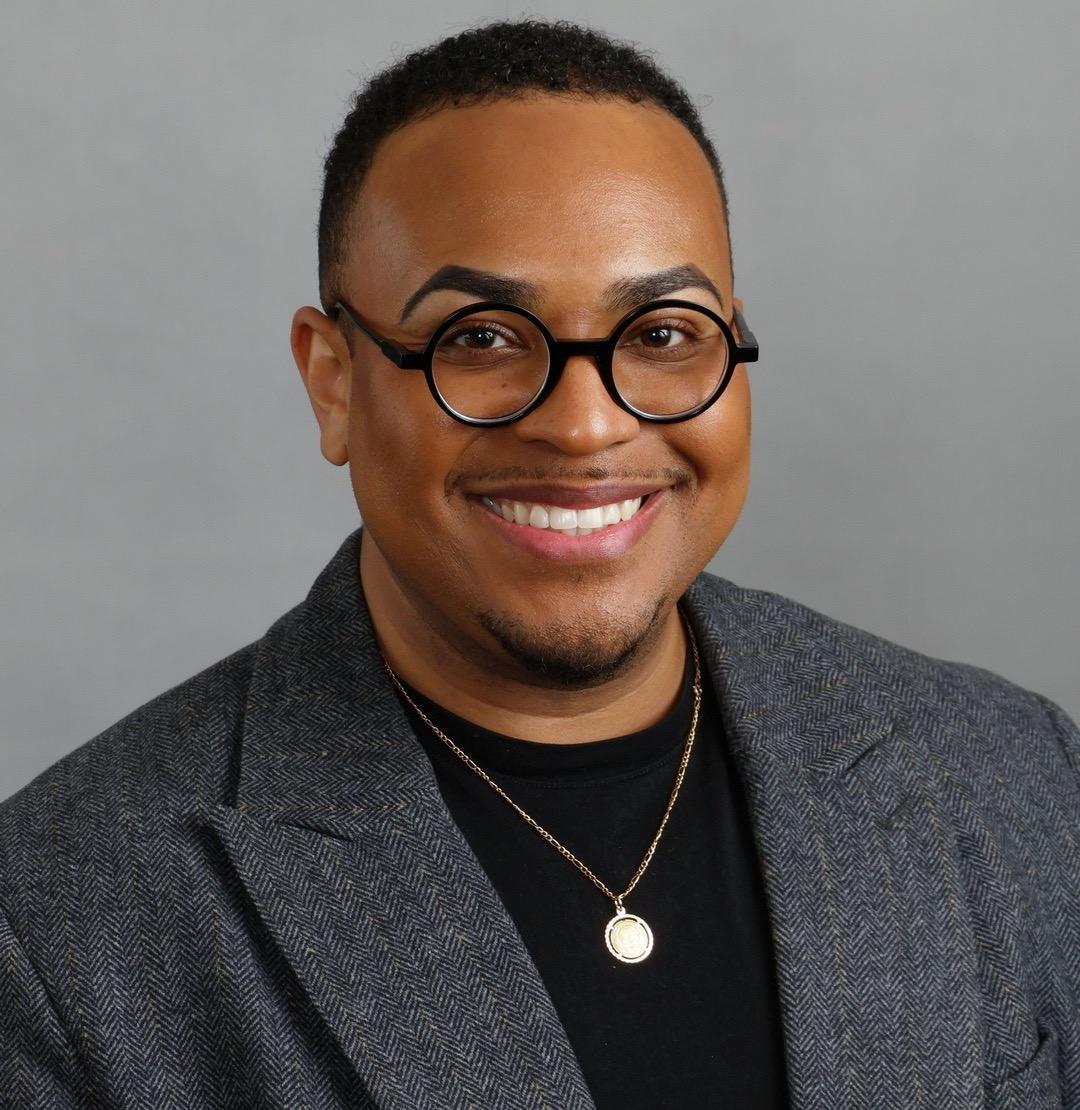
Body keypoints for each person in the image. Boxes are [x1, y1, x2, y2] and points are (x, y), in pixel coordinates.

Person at [1, 18, 1076, 1109]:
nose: (584, 427)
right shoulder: (56, 925)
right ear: (333, 381)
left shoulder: (1017, 775)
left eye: (661, 333)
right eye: (481, 336)